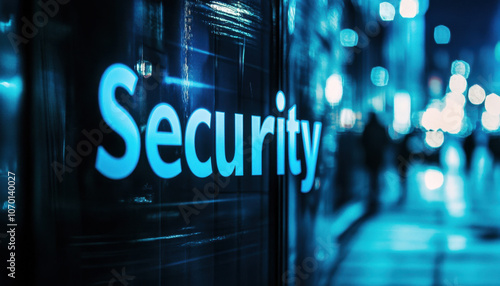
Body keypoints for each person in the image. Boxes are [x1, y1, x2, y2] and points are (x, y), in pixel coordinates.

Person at [361, 112, 389, 215]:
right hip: (378, 157)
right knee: (376, 176)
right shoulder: (380, 128)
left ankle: (371, 196)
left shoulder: (368, 127)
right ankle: (375, 195)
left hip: (370, 157)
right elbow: (386, 142)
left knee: (371, 176)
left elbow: (362, 141)